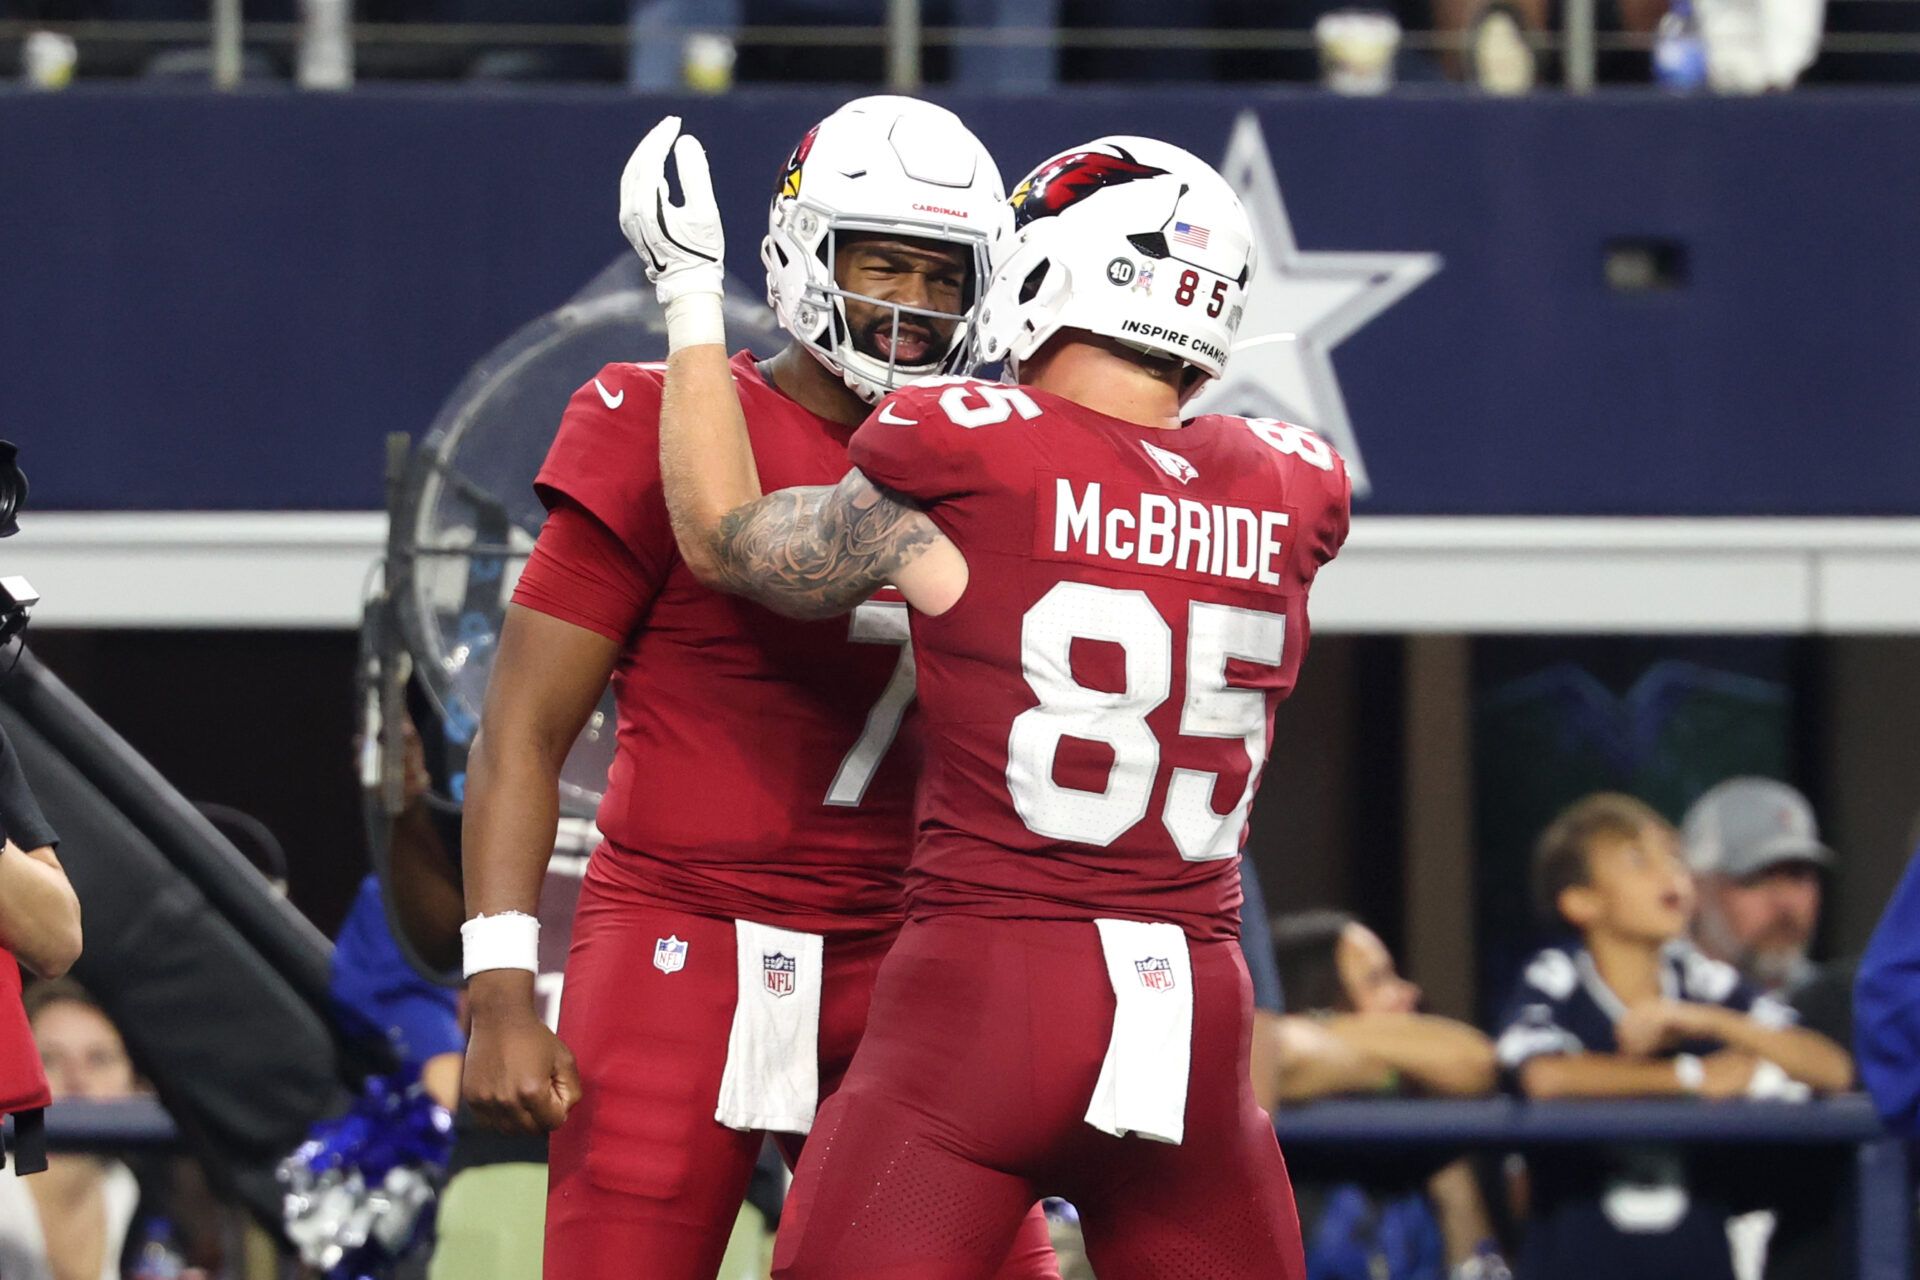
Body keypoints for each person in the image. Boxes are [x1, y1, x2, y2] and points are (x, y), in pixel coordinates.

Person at [634, 113, 1351, 1277]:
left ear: (1050, 274)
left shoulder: (966, 446)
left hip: (989, 993)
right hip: (1199, 1014)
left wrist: (687, 301)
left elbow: (729, 542)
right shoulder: (1290, 481)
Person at [457, 95, 1058, 1279]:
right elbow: (522, 728)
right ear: (800, 254)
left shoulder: (1001, 457)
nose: (913, 306)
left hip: (906, 950)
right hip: (685, 929)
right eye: (884, 264)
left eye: (945, 280)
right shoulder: (657, 417)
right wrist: (499, 983)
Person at [1493, 793, 1852, 1280]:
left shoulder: (1702, 983)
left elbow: (1831, 1067)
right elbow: (1543, 1075)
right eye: (1638, 860)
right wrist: (1692, 1076)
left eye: (1675, 858)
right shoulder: (1556, 976)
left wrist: (1710, 1022)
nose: (1669, 874)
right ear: (1581, 900)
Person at [1264, 910, 1507, 1280]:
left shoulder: (1417, 1129)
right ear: (1318, 996)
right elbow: (1280, 1051)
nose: (1409, 994)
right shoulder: (1266, 1078)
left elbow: (1475, 1061)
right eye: (1377, 980)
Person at [1681, 777, 1832, 999]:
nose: (1785, 902)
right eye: (1755, 879)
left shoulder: (1839, 1007)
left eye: (1798, 876)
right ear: (1696, 890)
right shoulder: (1658, 998)